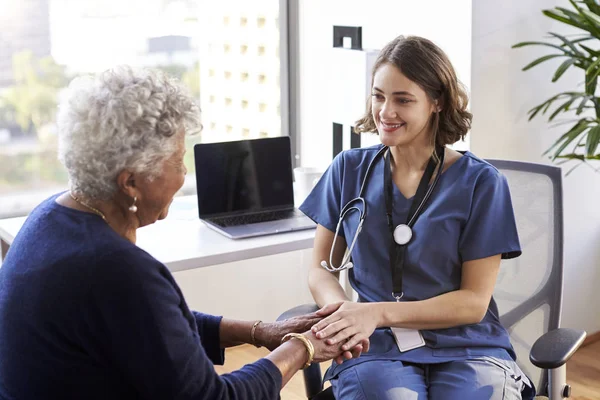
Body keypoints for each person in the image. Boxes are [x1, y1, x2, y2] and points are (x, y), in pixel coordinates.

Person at [0, 66, 364, 400]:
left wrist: (260, 331)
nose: (183, 175)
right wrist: (303, 347)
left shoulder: (47, 219)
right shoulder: (115, 268)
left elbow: (155, 326)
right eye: (176, 162)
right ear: (131, 182)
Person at [299, 36, 535, 399]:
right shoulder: (348, 169)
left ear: (437, 102)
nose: (385, 112)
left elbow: (473, 302)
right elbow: (321, 268)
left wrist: (377, 313)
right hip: (374, 346)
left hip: (467, 346)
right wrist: (343, 313)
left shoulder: (481, 183)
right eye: (379, 96)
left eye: (403, 100)